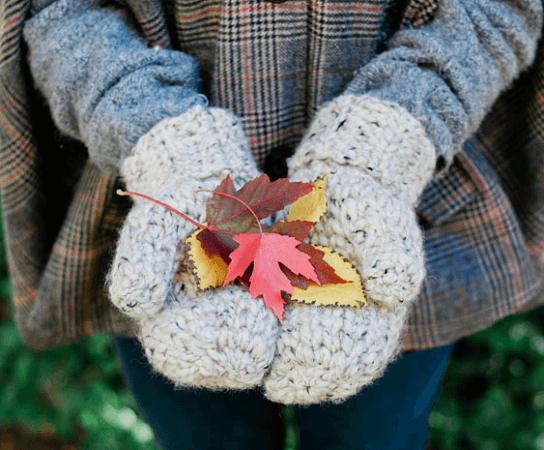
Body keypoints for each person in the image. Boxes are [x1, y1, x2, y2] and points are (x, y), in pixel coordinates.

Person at [1, 0, 543, 448]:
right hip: (165, 224)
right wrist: (159, 138)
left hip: (406, 211)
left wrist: (390, 134)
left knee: (378, 438)